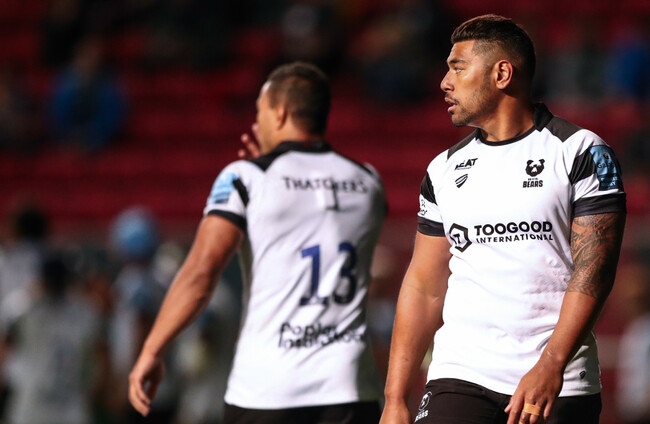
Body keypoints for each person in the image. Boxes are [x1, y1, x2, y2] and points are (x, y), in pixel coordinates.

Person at [380, 14, 626, 424]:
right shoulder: (443, 169)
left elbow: (594, 271)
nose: (444, 82)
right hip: (459, 375)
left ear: (502, 74)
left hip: (557, 379)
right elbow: (423, 286)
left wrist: (552, 364)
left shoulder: (580, 151)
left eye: (458, 68)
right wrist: (394, 398)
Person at [128, 62, 387, 424]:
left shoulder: (245, 178)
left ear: (280, 113)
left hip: (269, 387)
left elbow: (202, 272)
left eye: (260, 111)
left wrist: (152, 349)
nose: (257, 122)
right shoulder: (368, 182)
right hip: (349, 386)